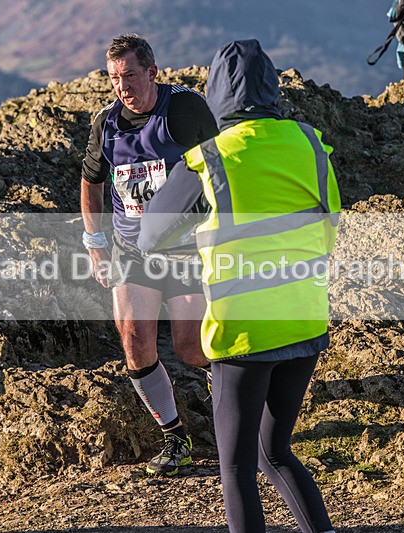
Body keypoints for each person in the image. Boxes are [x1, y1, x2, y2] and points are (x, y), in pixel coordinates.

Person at [139, 39, 340, 533]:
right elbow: (329, 223)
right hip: (305, 317)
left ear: (215, 95)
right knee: (275, 452)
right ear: (272, 88)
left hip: (244, 330)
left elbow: (149, 235)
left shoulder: (209, 157)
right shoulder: (310, 143)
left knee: (235, 466)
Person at [80, 34, 218, 477]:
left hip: (186, 249)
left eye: (131, 76)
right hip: (131, 250)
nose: (123, 86)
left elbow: (221, 168)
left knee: (192, 348)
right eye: (115, 78)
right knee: (135, 340)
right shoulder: (106, 124)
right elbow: (91, 182)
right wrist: (95, 243)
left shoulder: (184, 109)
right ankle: (176, 439)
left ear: (153, 72)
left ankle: (239, 415)